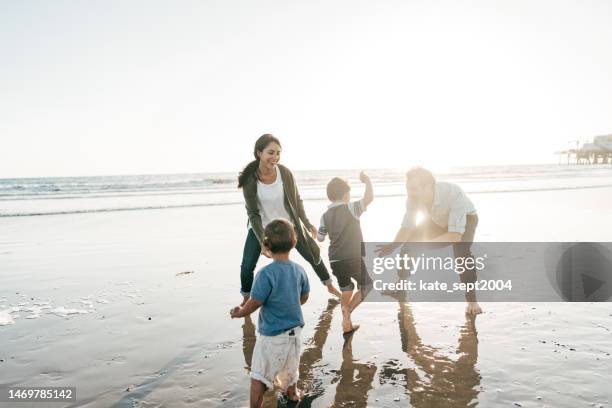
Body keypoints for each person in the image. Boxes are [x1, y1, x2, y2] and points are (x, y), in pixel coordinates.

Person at [237, 134, 341, 305]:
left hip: (288, 225)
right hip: (260, 226)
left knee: (313, 254)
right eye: (271, 153)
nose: (275, 157)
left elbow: (296, 200)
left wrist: (306, 223)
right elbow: (253, 214)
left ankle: (330, 286)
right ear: (259, 153)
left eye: (278, 153)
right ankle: (246, 298)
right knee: (247, 266)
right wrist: (263, 241)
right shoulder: (250, 179)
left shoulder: (284, 173)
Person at [376, 167, 482, 315]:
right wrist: (393, 246)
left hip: (466, 219)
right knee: (409, 245)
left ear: (429, 186)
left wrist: (424, 244)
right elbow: (407, 228)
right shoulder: (412, 199)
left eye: (414, 189)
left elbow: (455, 236)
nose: (410, 193)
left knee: (461, 255)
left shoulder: (453, 193)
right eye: (408, 188)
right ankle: (400, 288)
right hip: (437, 220)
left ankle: (472, 302)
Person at [230, 219, 310, 406]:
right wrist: (290, 302)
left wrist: (241, 312)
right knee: (291, 368)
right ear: (294, 242)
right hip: (295, 333)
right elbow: (304, 297)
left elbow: (255, 302)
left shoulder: (265, 273)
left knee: (258, 378)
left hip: (272, 336)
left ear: (265, 245)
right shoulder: (299, 270)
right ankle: (293, 393)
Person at [317, 171, 374, 334]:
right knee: (367, 285)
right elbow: (369, 198)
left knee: (346, 289)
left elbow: (320, 238)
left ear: (330, 197)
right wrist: (367, 180)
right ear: (346, 194)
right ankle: (347, 311)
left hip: (335, 260)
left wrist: (317, 232)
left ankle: (346, 324)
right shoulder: (351, 208)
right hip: (354, 257)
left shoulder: (325, 216)